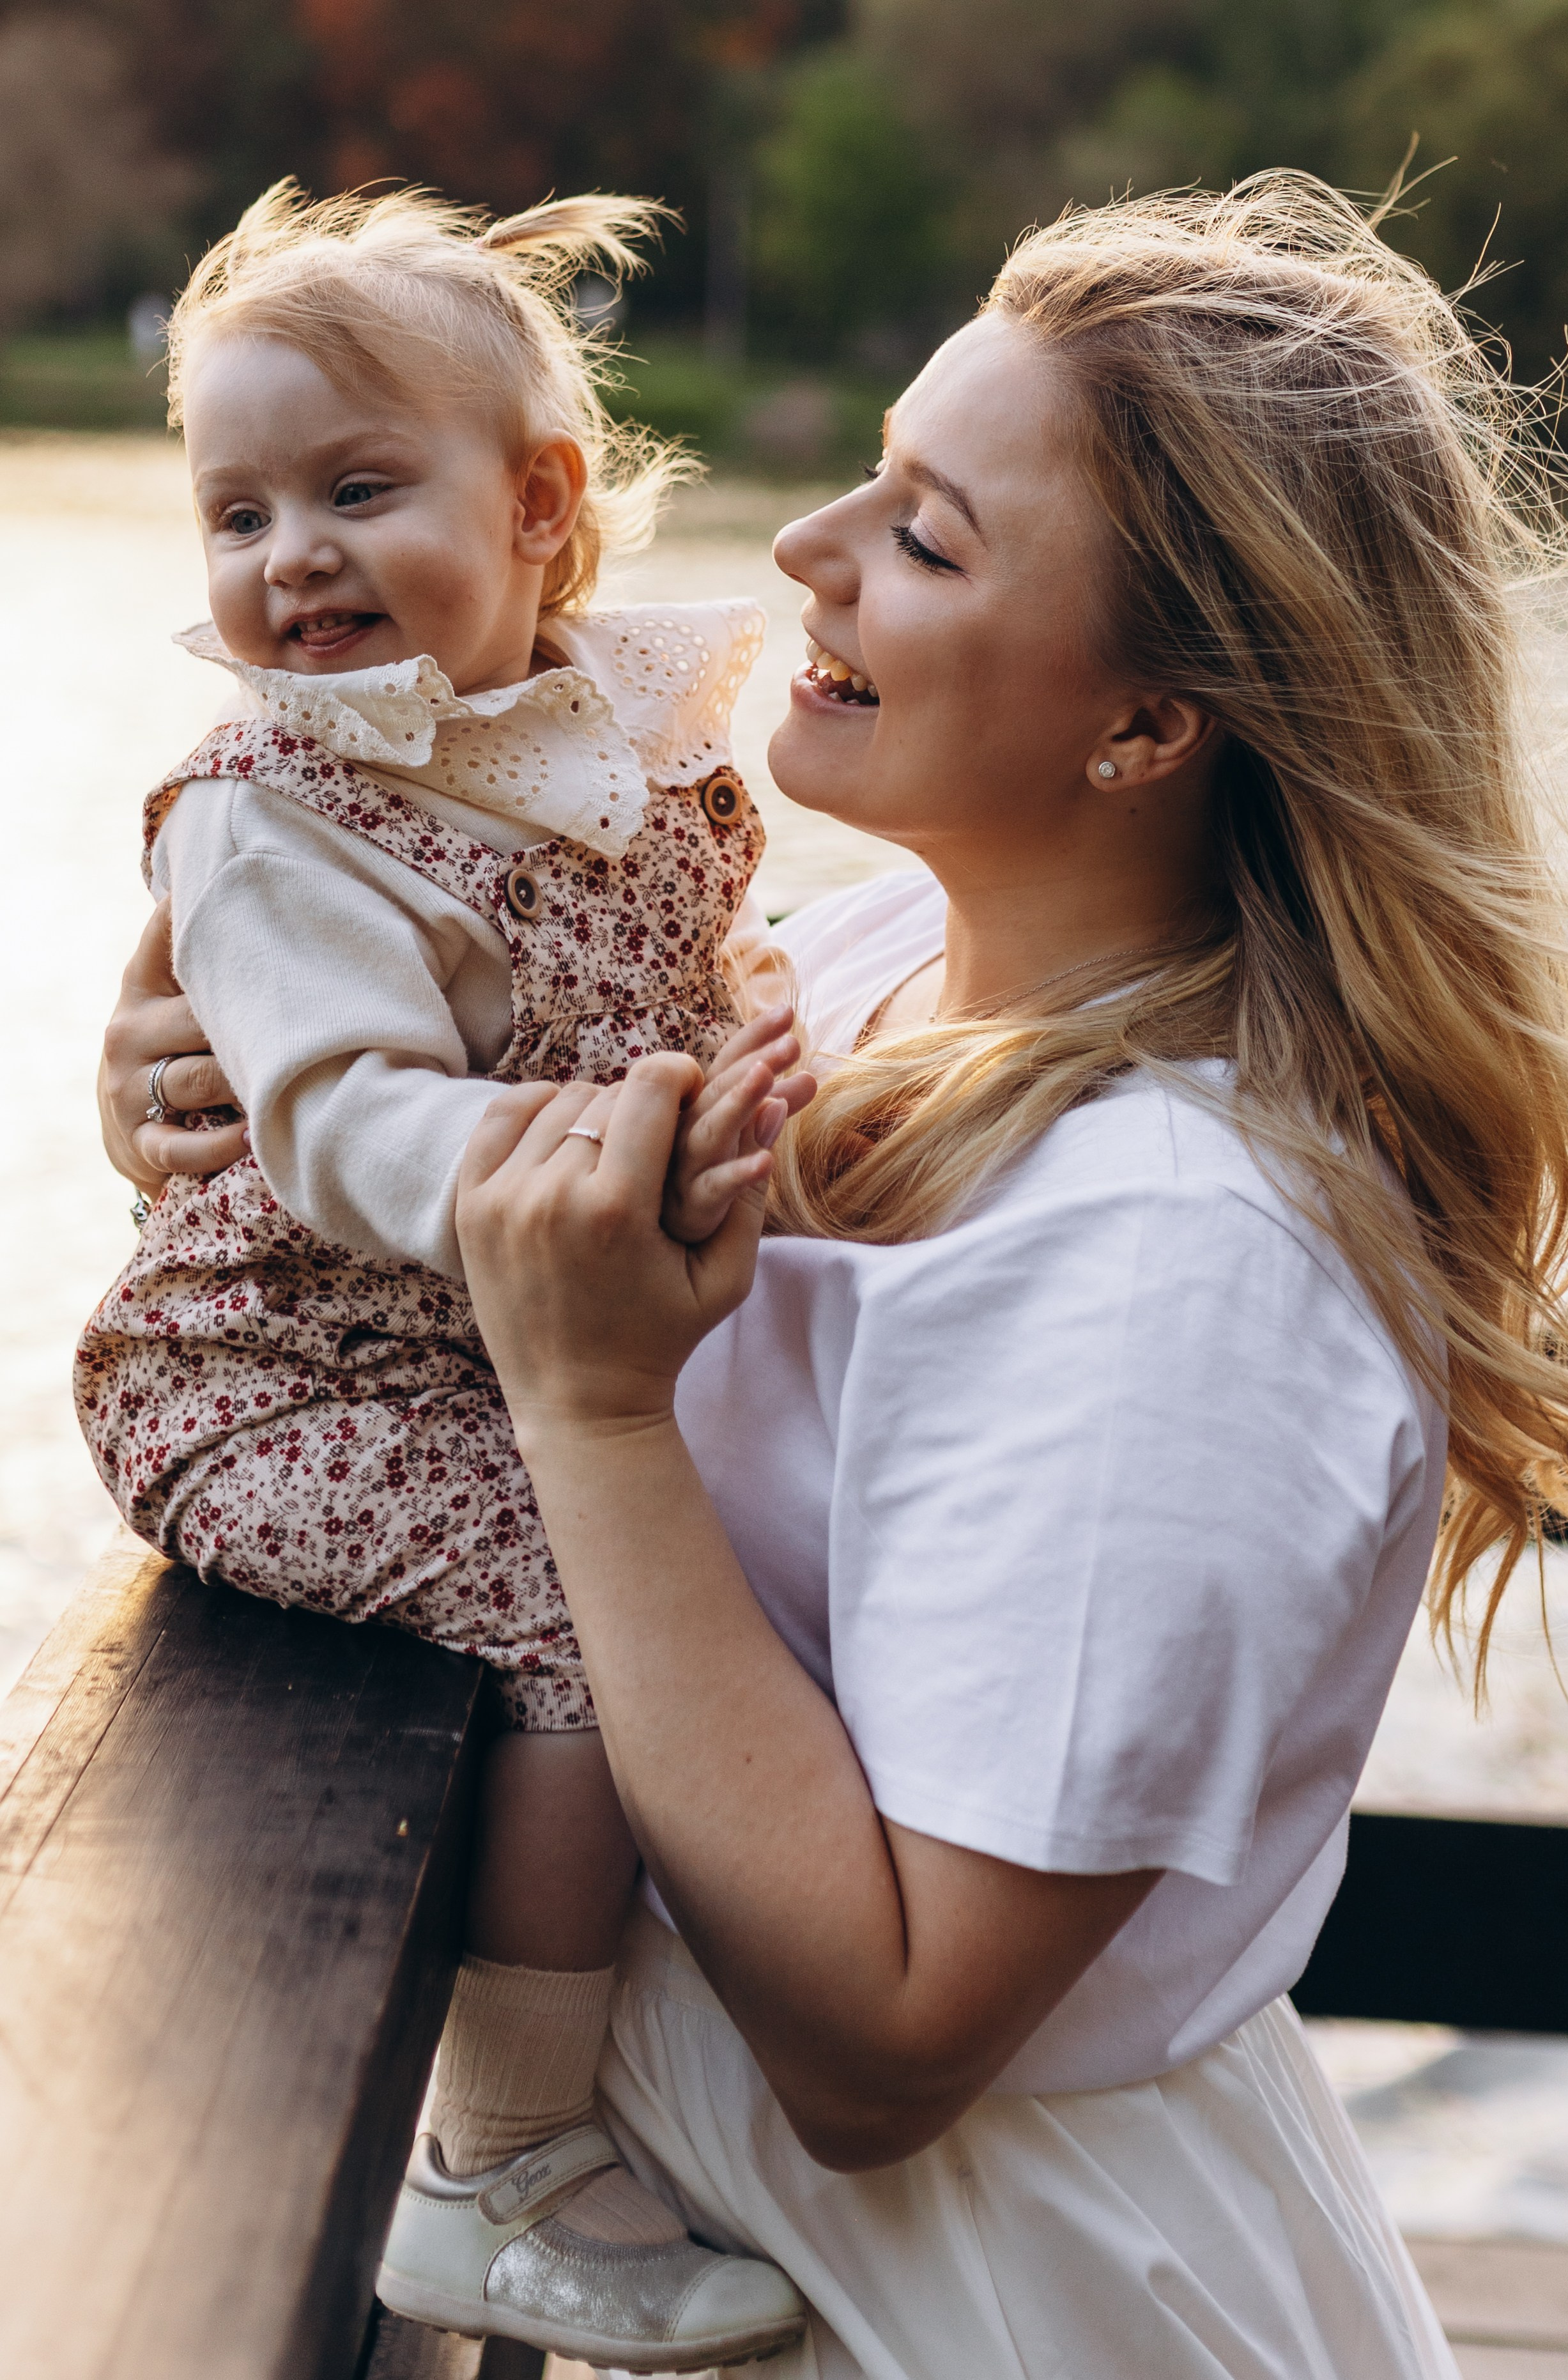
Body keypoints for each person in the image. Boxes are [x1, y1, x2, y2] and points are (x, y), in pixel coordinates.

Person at [100, 176, 1568, 2377]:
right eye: (869, 479)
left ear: (1145, 725)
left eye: (925, 533)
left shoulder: (1189, 1265)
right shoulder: (876, 961)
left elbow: (885, 2051)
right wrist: (232, 1063)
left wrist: (593, 1410)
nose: (805, 549)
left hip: (1005, 2297)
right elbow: (485, 1079)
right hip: (741, 2249)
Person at [75, 179, 811, 2371]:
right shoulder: (272, 806)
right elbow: (340, 1115)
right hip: (267, 1377)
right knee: (569, 1602)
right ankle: (495, 2155)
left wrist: (752, 1030)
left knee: (643, 1566)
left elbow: (682, 961)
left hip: (466, 1360)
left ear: (541, 507)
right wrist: (588, 1155)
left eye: (355, 489)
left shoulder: (617, 746)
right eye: (236, 510)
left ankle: (631, 2099)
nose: (285, 553)